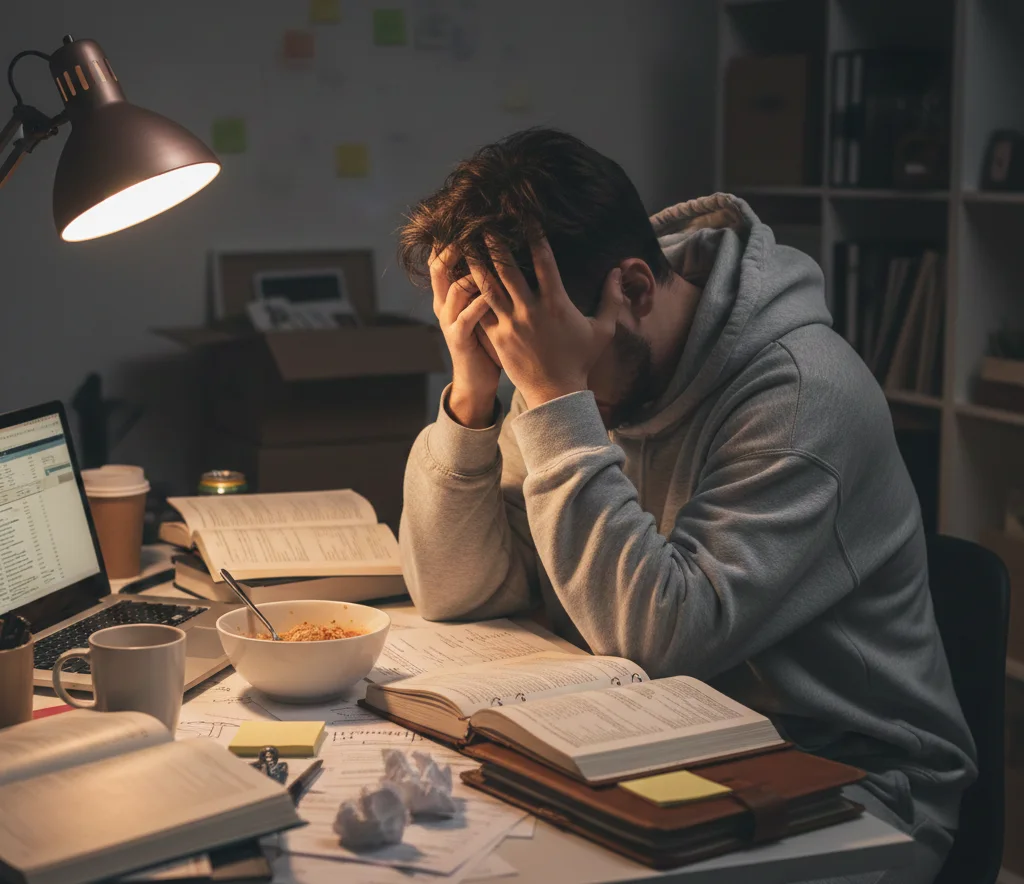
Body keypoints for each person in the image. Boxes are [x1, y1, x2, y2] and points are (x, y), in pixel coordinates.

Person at [396, 128, 976, 883]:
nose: (534, 386)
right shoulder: (571, 349)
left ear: (636, 289)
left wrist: (551, 395)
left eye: (540, 368)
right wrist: (474, 398)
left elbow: (661, 639)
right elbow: (455, 590)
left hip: (847, 781)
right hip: (659, 740)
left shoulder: (803, 396)